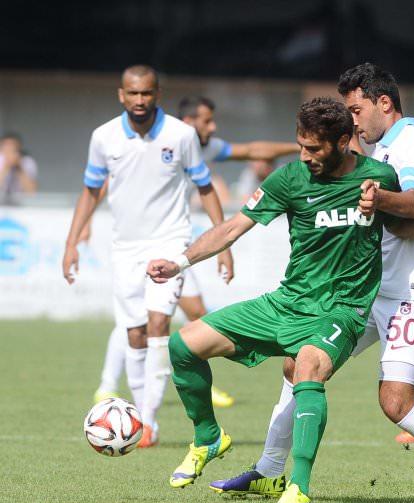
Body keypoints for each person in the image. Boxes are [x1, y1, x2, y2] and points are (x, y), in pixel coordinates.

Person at [211, 63, 414, 503]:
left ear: (384, 103)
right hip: (363, 293)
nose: (353, 120)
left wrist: (383, 199)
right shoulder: (378, 151)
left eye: (357, 110)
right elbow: (395, 221)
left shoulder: (413, 144)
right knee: (299, 364)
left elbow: (413, 204)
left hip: (407, 293)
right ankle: (269, 471)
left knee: (396, 402)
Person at [147, 97, 410, 503]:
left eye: (314, 149)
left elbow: (407, 220)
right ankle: (208, 437)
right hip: (287, 302)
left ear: (343, 141)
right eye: (301, 146)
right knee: (183, 345)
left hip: (341, 308)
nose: (304, 156)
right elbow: (233, 227)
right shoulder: (289, 179)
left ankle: (298, 485)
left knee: (307, 368)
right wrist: (179, 263)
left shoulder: (378, 176)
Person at [62, 64, 233, 449]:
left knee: (159, 324)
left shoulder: (181, 134)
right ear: (121, 95)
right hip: (125, 247)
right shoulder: (103, 137)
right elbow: (90, 191)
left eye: (147, 93)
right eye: (133, 93)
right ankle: (140, 415)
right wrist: (71, 242)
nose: (140, 100)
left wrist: (222, 244)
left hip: (170, 242)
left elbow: (205, 187)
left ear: (158, 94)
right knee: (135, 332)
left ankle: (149, 423)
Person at [93, 96, 299, 409]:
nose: (213, 127)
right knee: (136, 320)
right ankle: (108, 386)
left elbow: (253, 150)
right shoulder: (161, 141)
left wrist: (300, 147)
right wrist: (85, 220)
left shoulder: (204, 146)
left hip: (172, 245)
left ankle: (195, 380)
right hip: (139, 243)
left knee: (192, 315)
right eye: (207, 120)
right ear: (189, 122)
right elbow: (109, 179)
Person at [0, 133, 38, 204]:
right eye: (7, 148)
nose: (9, 152)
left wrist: (19, 167)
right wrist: (6, 167)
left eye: (13, 149)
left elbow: (31, 192)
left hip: (22, 205)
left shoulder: (27, 162)